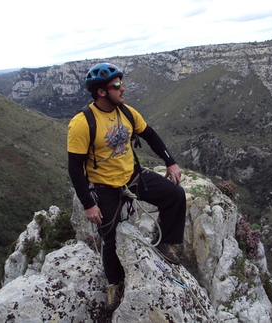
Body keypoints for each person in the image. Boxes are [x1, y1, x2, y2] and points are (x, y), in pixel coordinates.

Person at [67, 63, 186, 313]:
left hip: (133, 177)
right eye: (117, 84)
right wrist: (89, 203)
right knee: (108, 238)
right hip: (105, 187)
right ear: (101, 92)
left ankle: (166, 242)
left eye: (122, 82)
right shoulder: (82, 123)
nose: (123, 88)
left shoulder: (127, 112)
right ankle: (114, 284)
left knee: (175, 195)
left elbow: (151, 135)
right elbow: (75, 167)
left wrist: (171, 162)